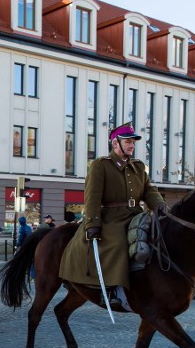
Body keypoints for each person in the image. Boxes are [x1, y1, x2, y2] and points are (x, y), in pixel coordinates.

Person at [59, 123, 166, 313]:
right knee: (118, 243)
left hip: (136, 215)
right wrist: (92, 223)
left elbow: (149, 190)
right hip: (111, 218)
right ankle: (113, 290)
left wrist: (160, 206)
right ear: (115, 143)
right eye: (128, 141)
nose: (132, 145)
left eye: (133, 142)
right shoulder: (101, 165)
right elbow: (92, 197)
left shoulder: (139, 167)